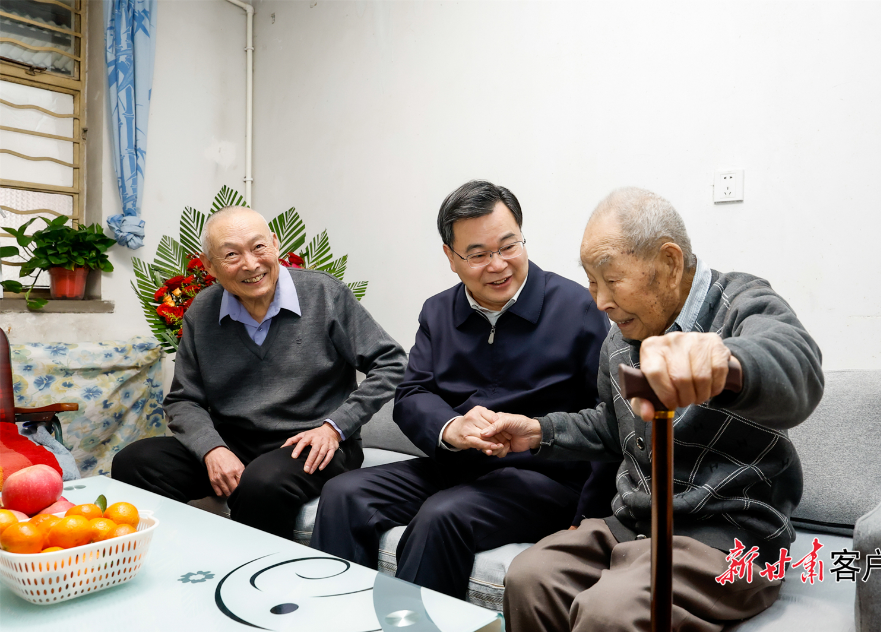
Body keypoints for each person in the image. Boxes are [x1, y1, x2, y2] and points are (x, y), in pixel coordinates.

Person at [482, 187, 824, 632]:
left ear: (669, 262)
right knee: (530, 576)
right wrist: (539, 432)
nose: (600, 301)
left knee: (611, 612)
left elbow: (799, 367)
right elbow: (613, 425)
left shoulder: (742, 300)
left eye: (612, 279)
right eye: (591, 282)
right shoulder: (620, 337)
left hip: (729, 538)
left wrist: (723, 363)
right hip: (635, 526)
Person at [311, 180, 617, 599]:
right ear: (450, 257)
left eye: (508, 246)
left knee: (443, 516)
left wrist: (589, 518)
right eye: (477, 254)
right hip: (457, 466)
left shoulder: (577, 307)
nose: (498, 265)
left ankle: (408, 627)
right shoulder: (438, 311)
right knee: (344, 493)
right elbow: (412, 394)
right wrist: (450, 428)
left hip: (544, 478)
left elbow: (609, 416)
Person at [112, 206, 406, 540]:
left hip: (312, 444)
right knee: (134, 461)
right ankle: (174, 558)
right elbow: (183, 400)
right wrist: (213, 449)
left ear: (275, 245)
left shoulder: (324, 294)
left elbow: (392, 362)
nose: (251, 264)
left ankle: (247, 571)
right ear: (209, 265)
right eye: (231, 254)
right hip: (234, 442)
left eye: (258, 247)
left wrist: (335, 428)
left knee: (261, 482)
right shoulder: (203, 310)